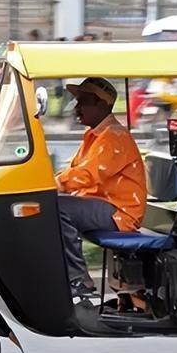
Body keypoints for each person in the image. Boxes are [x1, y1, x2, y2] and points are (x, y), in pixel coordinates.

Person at [55, 78, 147, 298]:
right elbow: (74, 170)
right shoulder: (94, 136)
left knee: (57, 207)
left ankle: (78, 279)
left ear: (102, 105)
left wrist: (53, 184)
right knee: (51, 203)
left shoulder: (114, 137)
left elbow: (87, 175)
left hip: (119, 212)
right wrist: (51, 182)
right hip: (100, 205)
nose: (76, 107)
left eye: (83, 101)